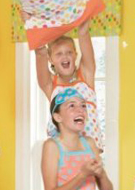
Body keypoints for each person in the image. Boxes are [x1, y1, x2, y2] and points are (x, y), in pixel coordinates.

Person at [31, 15, 103, 150]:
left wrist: (83, 28)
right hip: (63, 152)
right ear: (51, 60)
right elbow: (40, 53)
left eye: (69, 52)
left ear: (75, 54)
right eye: (58, 54)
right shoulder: (50, 85)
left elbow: (83, 35)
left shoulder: (85, 75)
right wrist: (32, 23)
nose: (65, 56)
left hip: (89, 151)